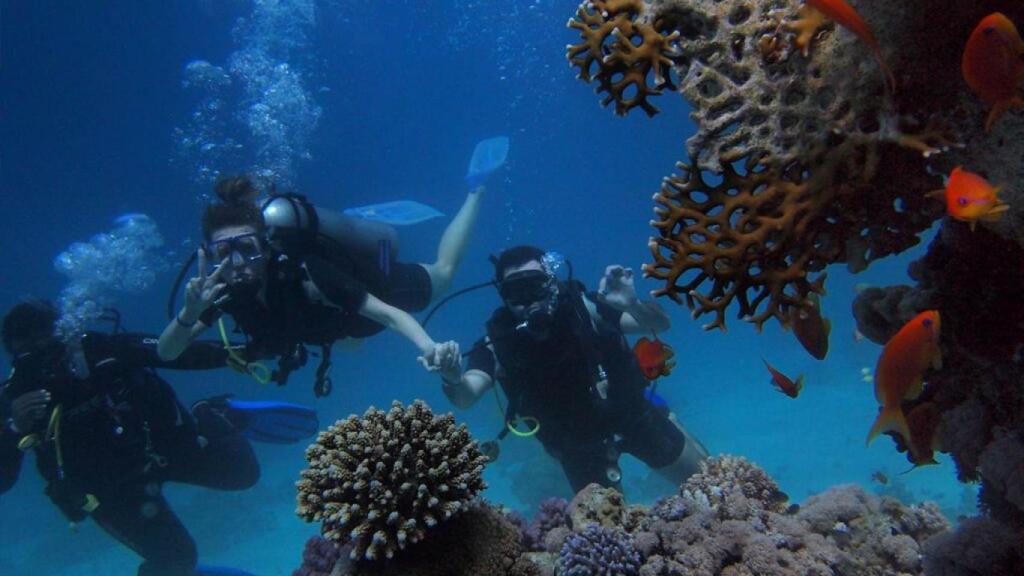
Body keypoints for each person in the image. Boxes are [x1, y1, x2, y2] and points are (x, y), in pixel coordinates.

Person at [0, 301, 305, 576]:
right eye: (27, 350)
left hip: (165, 450)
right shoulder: (13, 399)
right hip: (110, 491)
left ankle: (212, 412)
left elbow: (173, 352)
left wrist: (249, 352)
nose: (42, 357)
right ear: (14, 355)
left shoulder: (103, 350)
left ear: (65, 334)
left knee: (242, 473)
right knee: (176, 559)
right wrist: (13, 427)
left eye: (47, 341)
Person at [157, 176, 470, 394]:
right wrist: (189, 313)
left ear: (266, 246)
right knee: (350, 343)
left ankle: (475, 191)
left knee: (444, 274)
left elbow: (388, 315)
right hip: (339, 327)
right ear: (209, 255)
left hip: (375, 290)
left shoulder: (308, 271)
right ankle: (353, 223)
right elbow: (167, 353)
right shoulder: (217, 293)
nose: (237, 263)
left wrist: (430, 348)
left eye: (248, 248)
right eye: (224, 252)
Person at [436, 246, 709, 493]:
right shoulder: (497, 343)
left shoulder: (585, 308)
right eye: (516, 292)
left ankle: (665, 414)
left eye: (535, 286)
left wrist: (633, 305)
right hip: (576, 445)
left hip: (633, 414)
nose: (529, 300)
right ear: (503, 296)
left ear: (552, 283)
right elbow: (466, 396)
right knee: (603, 528)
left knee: (708, 484)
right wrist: (452, 377)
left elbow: (660, 324)